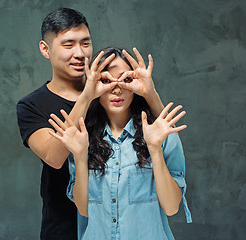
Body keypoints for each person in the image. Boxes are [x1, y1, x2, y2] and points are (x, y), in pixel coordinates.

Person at [16, 8, 165, 239]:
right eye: (68, 45)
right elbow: (55, 158)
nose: (80, 53)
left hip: (120, 223)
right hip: (63, 225)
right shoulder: (32, 106)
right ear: (45, 49)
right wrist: (87, 96)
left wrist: (150, 94)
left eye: (85, 43)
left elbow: (162, 135)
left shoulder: (113, 91)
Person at [48, 47, 192, 239]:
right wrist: (80, 155)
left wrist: (155, 149)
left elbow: (172, 207)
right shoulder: (82, 137)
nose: (116, 88)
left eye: (126, 80)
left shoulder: (160, 132)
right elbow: (84, 210)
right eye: (106, 81)